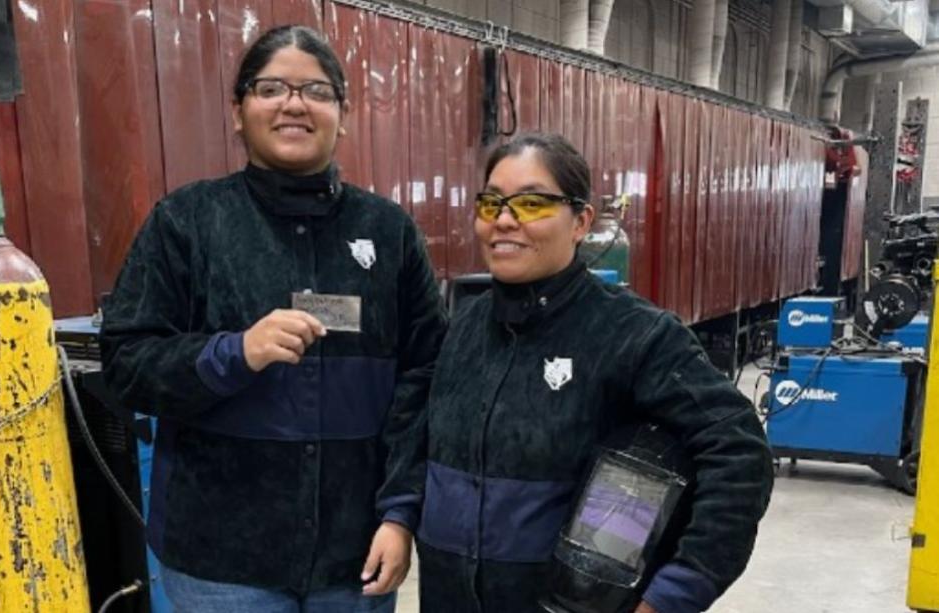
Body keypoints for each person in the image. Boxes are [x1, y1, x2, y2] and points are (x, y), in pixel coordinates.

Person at [99, 24, 446, 613]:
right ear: (238, 111)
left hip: (354, 557)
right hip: (221, 565)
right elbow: (126, 362)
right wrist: (232, 354)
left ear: (343, 114)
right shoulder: (187, 222)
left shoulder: (388, 233)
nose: (294, 104)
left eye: (316, 90)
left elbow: (426, 380)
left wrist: (401, 513)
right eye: (271, 88)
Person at [411, 132, 773, 613]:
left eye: (532, 203)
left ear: (580, 222)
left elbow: (739, 451)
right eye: (491, 203)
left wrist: (676, 591)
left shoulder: (634, 335)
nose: (504, 220)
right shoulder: (464, 328)